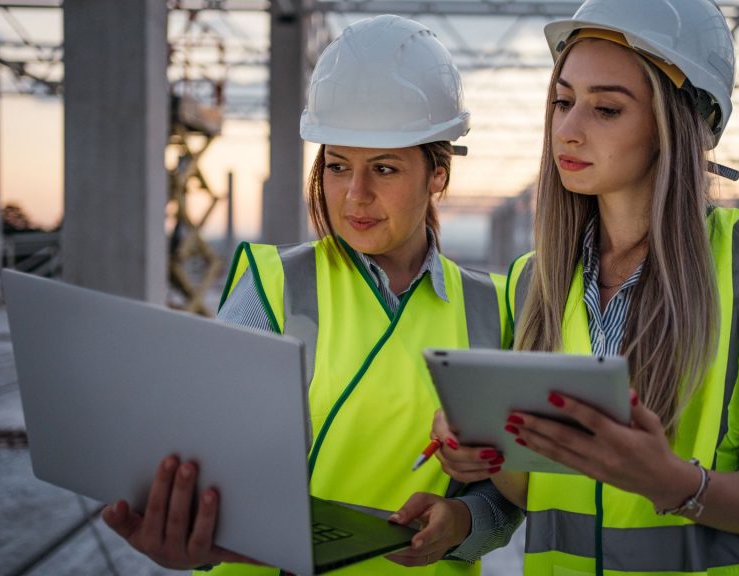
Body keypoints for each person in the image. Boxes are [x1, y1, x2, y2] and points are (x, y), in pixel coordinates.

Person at [101, 15, 522, 575]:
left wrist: (463, 523)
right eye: (338, 165)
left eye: (385, 168)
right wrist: (187, 537)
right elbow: (205, 458)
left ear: (438, 175)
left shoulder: (495, 309)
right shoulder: (274, 287)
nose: (356, 195)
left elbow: (509, 492)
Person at [433, 0, 739, 574]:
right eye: (563, 102)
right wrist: (484, 450)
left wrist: (670, 482)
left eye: (606, 109)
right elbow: (534, 493)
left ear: (677, 123)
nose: (567, 130)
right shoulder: (535, 280)